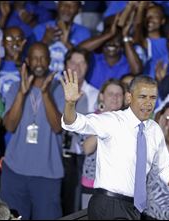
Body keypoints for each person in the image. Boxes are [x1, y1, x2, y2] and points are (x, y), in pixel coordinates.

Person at [61, 73, 169, 220]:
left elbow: (165, 168)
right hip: (108, 205)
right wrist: (70, 104)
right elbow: (73, 123)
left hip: (134, 208)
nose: (148, 103)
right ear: (129, 98)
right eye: (142, 97)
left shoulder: (154, 129)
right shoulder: (113, 121)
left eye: (152, 98)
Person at [0, 42, 64, 219]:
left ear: (49, 61)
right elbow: (10, 126)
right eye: (35, 58)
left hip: (47, 174)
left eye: (43, 58)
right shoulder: (15, 88)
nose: (39, 62)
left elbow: (58, 127)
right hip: (15, 172)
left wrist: (45, 93)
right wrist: (22, 93)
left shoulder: (58, 89)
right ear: (27, 61)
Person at [61, 47, 99, 215]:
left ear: (87, 66)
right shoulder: (55, 88)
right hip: (56, 155)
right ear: (65, 64)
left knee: (75, 206)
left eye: (81, 62)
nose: (76, 66)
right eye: (72, 62)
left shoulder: (95, 94)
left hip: (80, 158)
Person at [81, 79, 125, 209]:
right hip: (93, 184)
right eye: (111, 93)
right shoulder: (90, 119)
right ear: (101, 96)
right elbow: (87, 148)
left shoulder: (129, 122)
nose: (115, 98)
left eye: (119, 94)